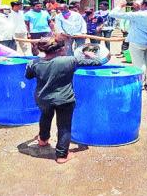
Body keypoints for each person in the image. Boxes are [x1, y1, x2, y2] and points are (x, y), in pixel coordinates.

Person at [25, 34, 109, 163]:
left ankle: (43, 139)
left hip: (43, 98)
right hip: (64, 99)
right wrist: (93, 56)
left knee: (45, 117)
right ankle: (62, 155)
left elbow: (28, 76)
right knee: (64, 126)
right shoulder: (70, 60)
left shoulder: (34, 63)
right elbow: (100, 61)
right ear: (60, 49)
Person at [110, 0, 147, 88]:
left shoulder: (138, 14)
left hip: (137, 42)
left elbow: (113, 14)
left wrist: (120, 5)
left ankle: (140, 83)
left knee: (139, 64)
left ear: (145, 5)